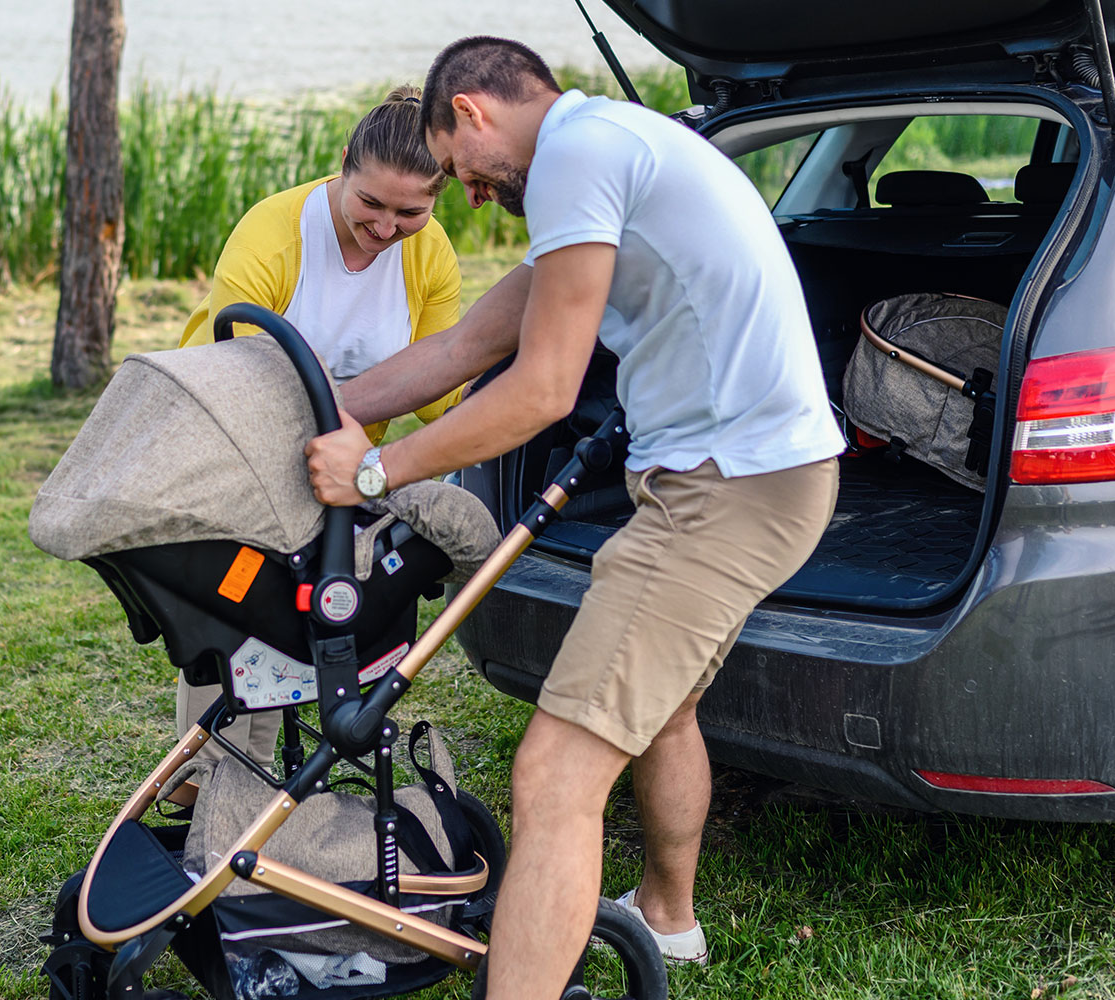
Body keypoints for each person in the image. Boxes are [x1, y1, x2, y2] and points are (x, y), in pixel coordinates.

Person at [305, 36, 845, 998]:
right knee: (662, 704)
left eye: (459, 169)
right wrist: (336, 404)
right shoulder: (610, 144)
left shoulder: (574, 159)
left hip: (729, 489)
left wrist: (377, 473)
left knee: (554, 773)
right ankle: (668, 921)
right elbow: (476, 340)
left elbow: (543, 390)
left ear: (471, 110)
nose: (468, 193)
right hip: (752, 475)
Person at [170, 86, 465, 790]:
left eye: (410, 213)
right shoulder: (275, 233)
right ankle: (208, 784)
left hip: (346, 481)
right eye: (371, 204)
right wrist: (358, 440)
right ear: (341, 166)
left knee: (327, 628)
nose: (387, 228)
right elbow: (241, 373)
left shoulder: (430, 256)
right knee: (251, 628)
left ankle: (245, 786)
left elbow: (443, 392)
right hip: (235, 447)